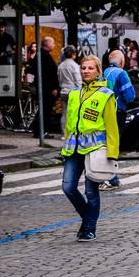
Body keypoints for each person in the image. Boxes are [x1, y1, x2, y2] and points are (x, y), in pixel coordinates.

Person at [60, 54, 118, 241]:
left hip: (95, 150)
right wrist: (64, 146)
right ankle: (88, 218)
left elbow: (112, 127)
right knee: (68, 187)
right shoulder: (74, 94)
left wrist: (113, 153)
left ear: (98, 71)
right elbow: (69, 123)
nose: (86, 71)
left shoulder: (106, 95)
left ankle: (89, 228)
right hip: (73, 149)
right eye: (83, 68)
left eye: (90, 68)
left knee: (91, 192)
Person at [32, 36, 61, 137]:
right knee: (45, 109)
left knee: (44, 109)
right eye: (52, 43)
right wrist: (53, 87)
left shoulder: (43, 54)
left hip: (45, 87)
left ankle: (40, 130)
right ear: (47, 44)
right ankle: (41, 131)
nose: (54, 45)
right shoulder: (44, 56)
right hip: (47, 88)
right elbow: (48, 73)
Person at [57, 45, 82, 133]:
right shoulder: (75, 66)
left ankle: (64, 132)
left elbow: (59, 80)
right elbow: (78, 80)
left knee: (64, 113)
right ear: (73, 54)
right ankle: (72, 131)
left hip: (63, 91)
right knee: (74, 112)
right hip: (73, 91)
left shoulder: (61, 66)